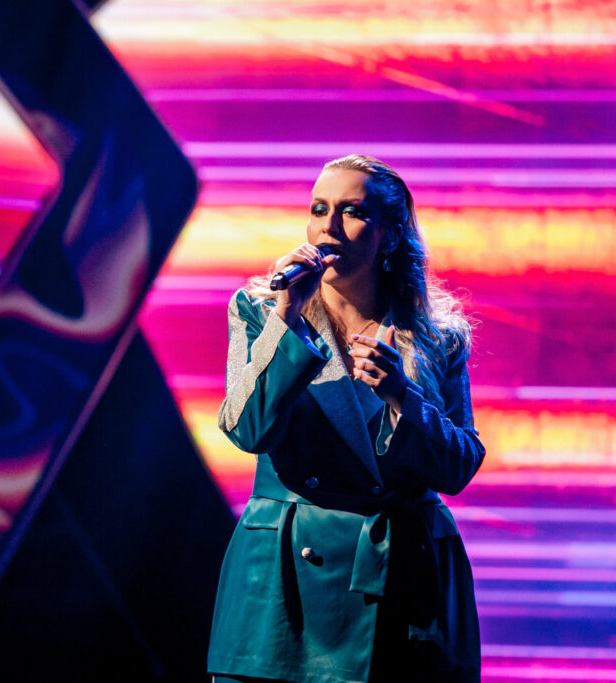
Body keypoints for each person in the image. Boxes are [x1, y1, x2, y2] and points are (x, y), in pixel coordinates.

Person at [206, 154, 485, 683]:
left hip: (401, 582)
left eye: (352, 212)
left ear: (391, 233)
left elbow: (459, 466)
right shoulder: (261, 310)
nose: (329, 227)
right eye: (319, 209)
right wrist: (288, 318)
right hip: (286, 590)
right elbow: (247, 428)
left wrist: (402, 395)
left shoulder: (438, 335)